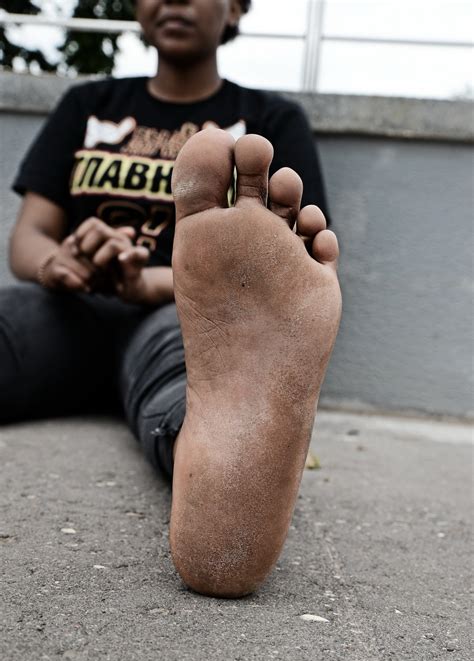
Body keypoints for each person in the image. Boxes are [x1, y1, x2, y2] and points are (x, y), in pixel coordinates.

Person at [1, 0, 341, 598]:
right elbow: (28, 237)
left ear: (236, 9)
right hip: (75, 301)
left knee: (191, 372)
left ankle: (230, 456)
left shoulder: (269, 118)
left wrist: (152, 282)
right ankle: (220, 415)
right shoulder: (88, 105)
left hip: (183, 314)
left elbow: (300, 251)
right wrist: (60, 261)